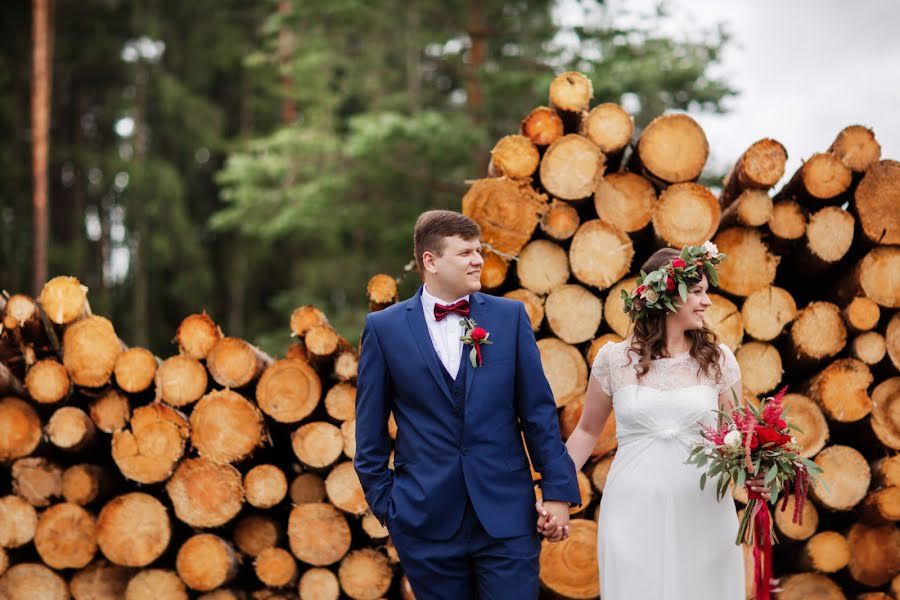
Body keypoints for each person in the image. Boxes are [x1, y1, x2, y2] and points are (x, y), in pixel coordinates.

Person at [354, 210, 581, 600]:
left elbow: (538, 412)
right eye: (465, 252)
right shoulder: (384, 329)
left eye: (479, 251)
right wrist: (391, 508)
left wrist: (558, 492)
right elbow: (369, 431)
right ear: (431, 261)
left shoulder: (509, 318)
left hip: (507, 516)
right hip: (424, 521)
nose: (478, 260)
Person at [544, 244, 769, 599]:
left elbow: (742, 436)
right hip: (631, 508)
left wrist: (760, 473)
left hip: (704, 507)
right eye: (696, 292)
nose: (707, 301)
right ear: (665, 296)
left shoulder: (719, 360)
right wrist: (554, 491)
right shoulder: (613, 360)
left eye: (705, 292)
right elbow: (587, 432)